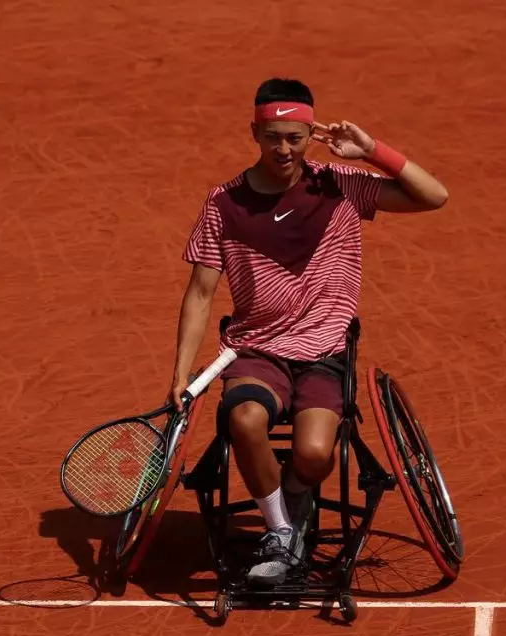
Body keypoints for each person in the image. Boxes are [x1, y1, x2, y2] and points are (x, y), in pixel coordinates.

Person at [169, 77, 449, 585]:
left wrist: (371, 151)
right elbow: (200, 293)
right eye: (273, 137)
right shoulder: (223, 204)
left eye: (295, 138)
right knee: (246, 420)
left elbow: (435, 197)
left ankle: (293, 496)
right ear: (255, 133)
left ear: (310, 135)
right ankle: (280, 531)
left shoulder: (338, 183)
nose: (283, 149)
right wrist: (181, 372)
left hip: (324, 349)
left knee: (316, 454)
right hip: (256, 350)